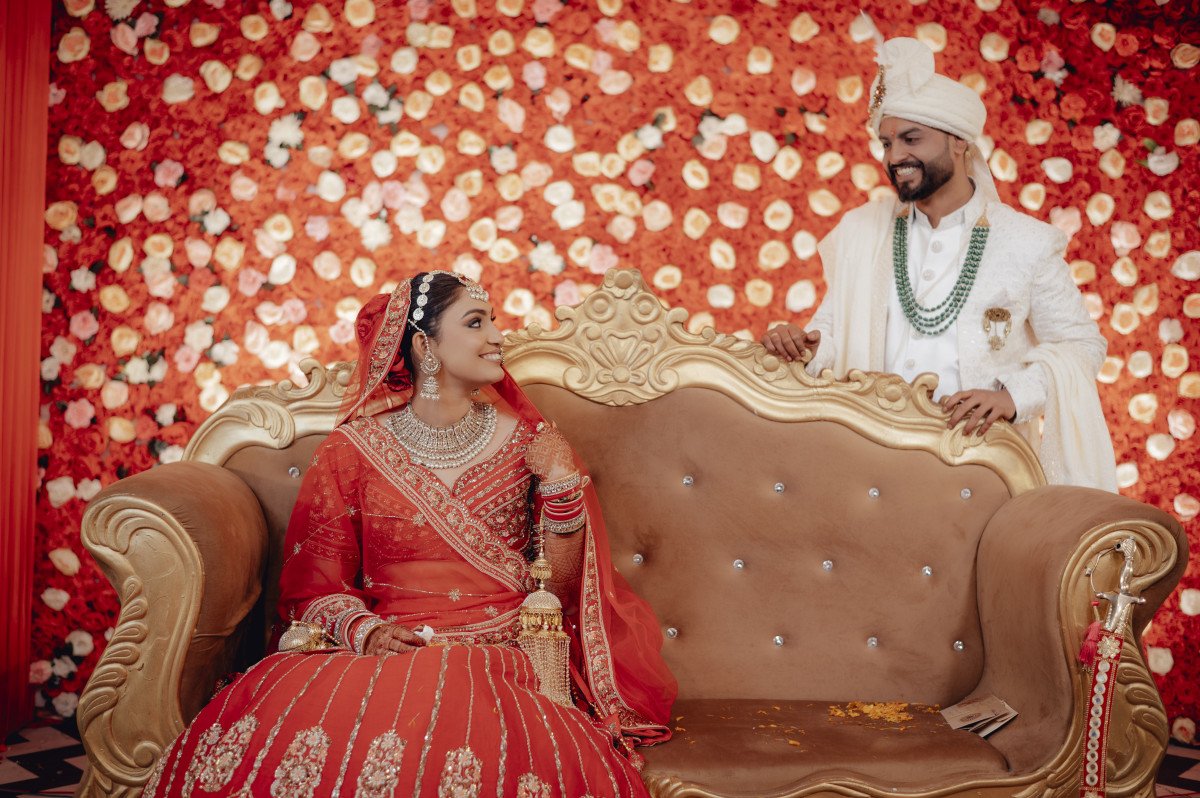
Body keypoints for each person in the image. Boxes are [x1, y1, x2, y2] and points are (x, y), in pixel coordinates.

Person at [144, 271, 676, 797]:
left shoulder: (529, 442)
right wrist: (365, 631)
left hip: (500, 654)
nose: (498, 336)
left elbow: (555, 594)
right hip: (386, 650)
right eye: (476, 322)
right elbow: (313, 588)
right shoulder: (354, 450)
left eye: (494, 321)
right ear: (425, 345)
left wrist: (560, 484)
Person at [762, 37, 1116, 491]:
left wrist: (1013, 397)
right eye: (887, 142)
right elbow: (833, 330)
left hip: (979, 468)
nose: (894, 157)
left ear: (958, 142)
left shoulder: (1026, 243)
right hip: (867, 462)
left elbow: (1082, 345)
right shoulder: (865, 231)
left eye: (911, 139)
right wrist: (806, 347)